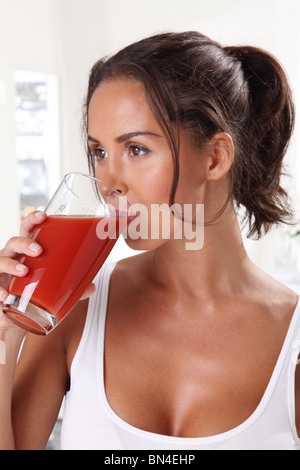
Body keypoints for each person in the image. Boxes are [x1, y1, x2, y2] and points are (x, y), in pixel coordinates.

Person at [0, 31, 299, 450]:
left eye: (136, 149)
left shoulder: (293, 342)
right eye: (99, 152)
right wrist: (4, 337)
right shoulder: (74, 310)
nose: (107, 182)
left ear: (215, 158)